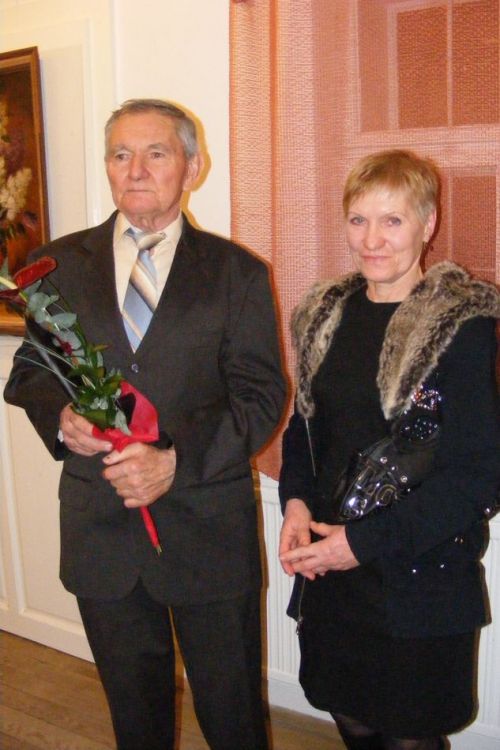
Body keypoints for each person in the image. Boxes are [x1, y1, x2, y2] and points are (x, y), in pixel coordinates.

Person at [4, 99, 286, 750]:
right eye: (120, 154)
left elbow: (261, 395)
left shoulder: (238, 273)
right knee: (135, 721)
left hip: (207, 530)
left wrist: (176, 460)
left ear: (192, 166)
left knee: (234, 719)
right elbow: (30, 373)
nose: (135, 169)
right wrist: (62, 417)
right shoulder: (55, 266)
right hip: (101, 532)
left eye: (156, 153)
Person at [278, 149, 500, 750]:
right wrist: (295, 503)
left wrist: (360, 545)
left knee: (410, 736)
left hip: (418, 573)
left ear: (428, 224)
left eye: (392, 220)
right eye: (358, 219)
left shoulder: (462, 327)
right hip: (333, 572)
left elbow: (478, 477)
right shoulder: (324, 315)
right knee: (350, 718)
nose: (371, 240)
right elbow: (304, 428)